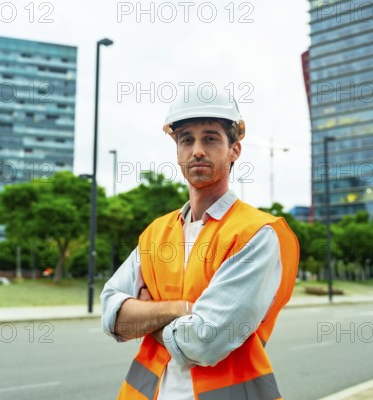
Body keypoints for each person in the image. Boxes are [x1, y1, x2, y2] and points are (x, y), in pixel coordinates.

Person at [101, 88, 299, 400]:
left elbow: (204, 342)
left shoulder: (257, 233)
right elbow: (112, 317)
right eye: (186, 140)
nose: (197, 150)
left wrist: (146, 314)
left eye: (210, 139)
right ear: (177, 150)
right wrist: (182, 310)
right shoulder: (155, 233)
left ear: (234, 150)